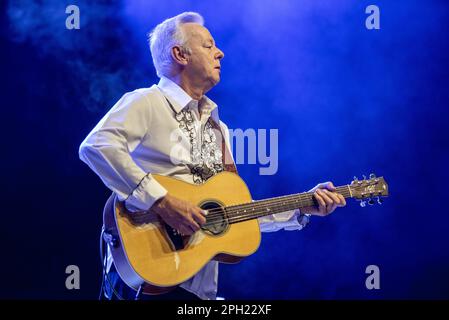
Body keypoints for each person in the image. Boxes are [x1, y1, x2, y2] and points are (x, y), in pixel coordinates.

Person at [79, 12, 346, 300]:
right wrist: (163, 202)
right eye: (208, 45)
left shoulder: (219, 128)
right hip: (147, 279)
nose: (220, 52)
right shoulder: (147, 102)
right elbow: (97, 146)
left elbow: (231, 213)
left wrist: (302, 207)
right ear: (179, 54)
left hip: (197, 291)